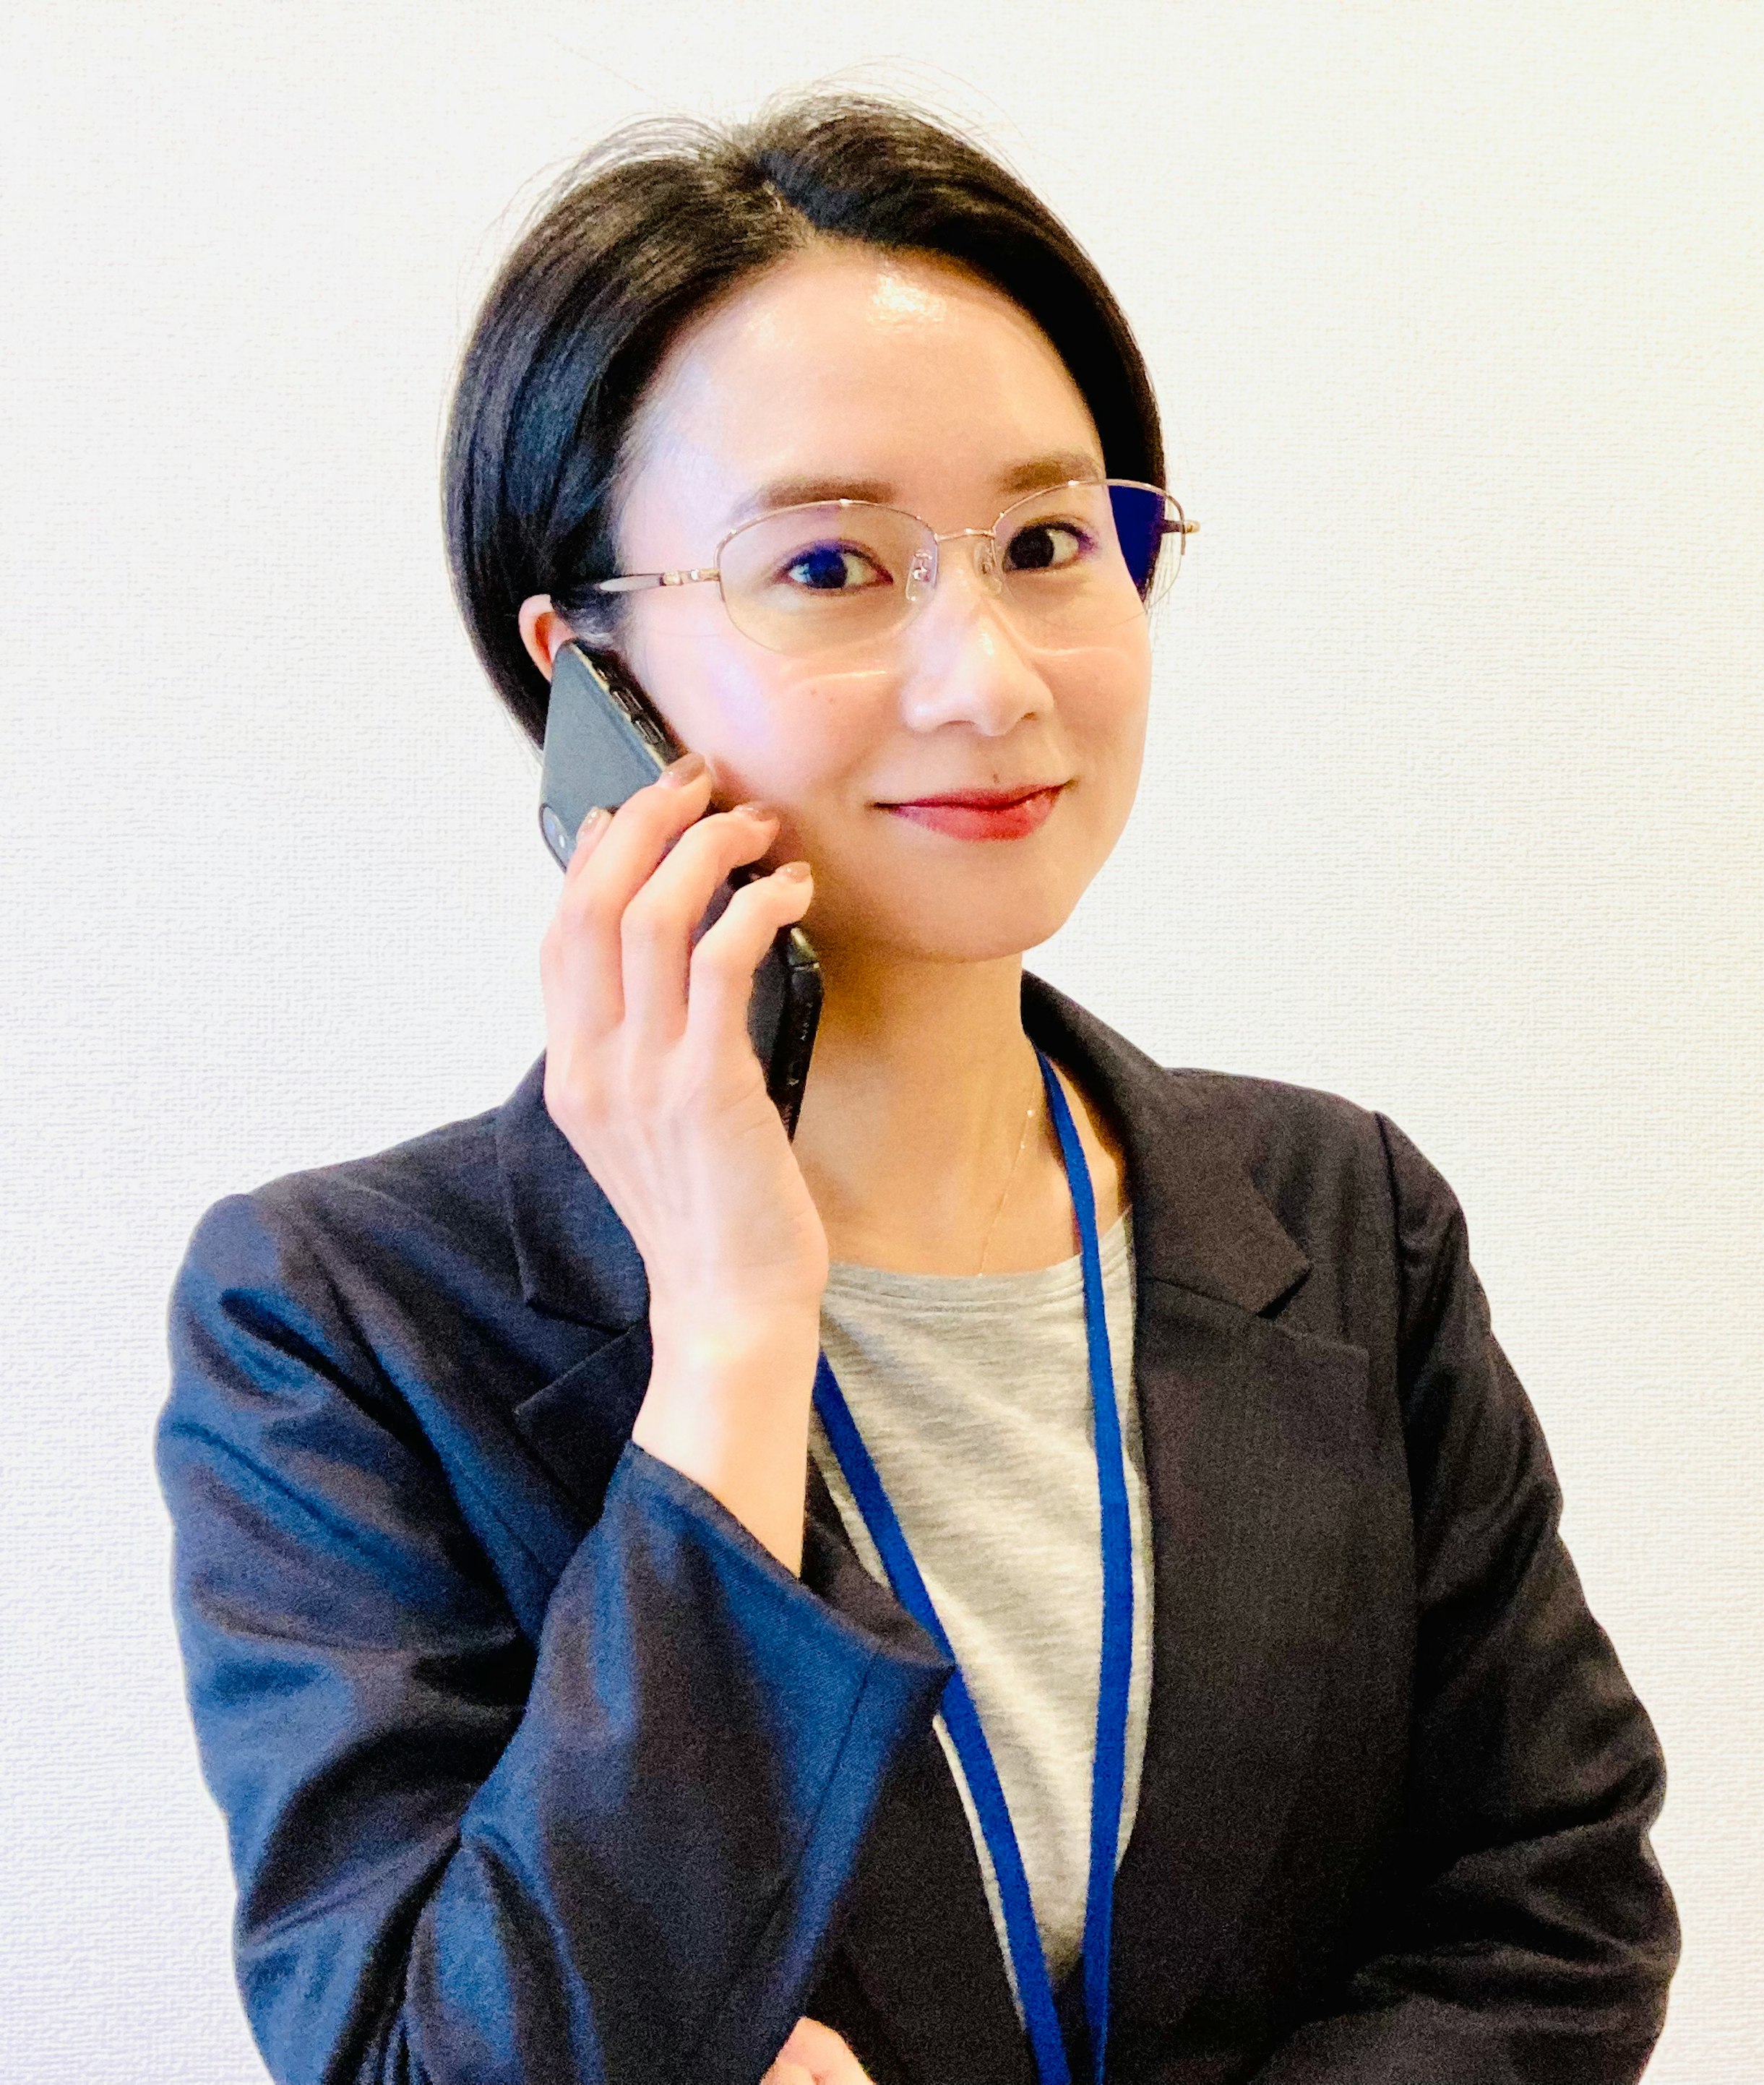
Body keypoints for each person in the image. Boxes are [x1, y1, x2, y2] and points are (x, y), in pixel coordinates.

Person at [155, 89, 1677, 2085]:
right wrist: (725, 1337)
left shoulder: (1339, 1221)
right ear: (585, 680)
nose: (990, 677)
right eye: (829, 569)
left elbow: (1556, 1916)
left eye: (1050, 541)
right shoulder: (342, 1326)